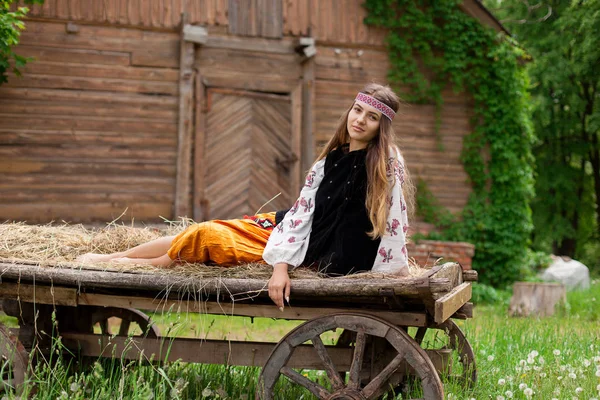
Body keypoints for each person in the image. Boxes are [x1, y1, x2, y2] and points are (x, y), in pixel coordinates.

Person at [77, 83, 414, 310]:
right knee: (205, 228)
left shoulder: (384, 164)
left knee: (207, 237)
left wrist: (394, 268)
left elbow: (394, 221)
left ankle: (139, 266)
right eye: (357, 111)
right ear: (350, 111)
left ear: (381, 127)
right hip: (289, 230)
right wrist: (280, 263)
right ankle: (113, 259)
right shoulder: (330, 160)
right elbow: (301, 213)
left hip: (316, 250)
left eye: (371, 118)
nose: (360, 120)